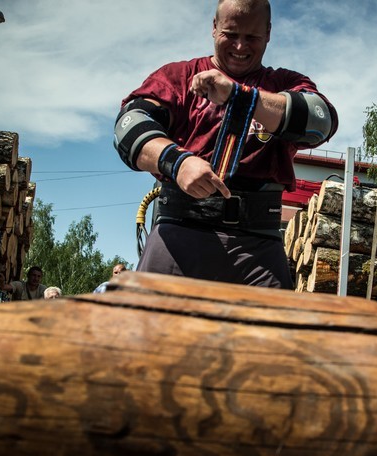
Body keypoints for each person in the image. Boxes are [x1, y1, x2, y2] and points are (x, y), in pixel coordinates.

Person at [114, 0, 337, 289]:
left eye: (252, 37)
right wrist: (177, 161)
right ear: (214, 27)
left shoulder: (285, 82)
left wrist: (242, 97)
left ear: (268, 33)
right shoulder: (178, 77)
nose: (241, 47)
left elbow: (322, 122)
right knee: (145, 330)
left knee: (272, 333)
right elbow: (128, 126)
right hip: (178, 236)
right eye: (230, 34)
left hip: (257, 246)